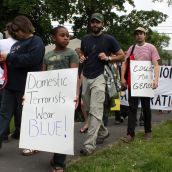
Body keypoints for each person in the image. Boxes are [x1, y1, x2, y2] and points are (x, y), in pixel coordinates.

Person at [79, 12, 125, 155]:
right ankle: (103, 132)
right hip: (86, 76)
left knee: (96, 109)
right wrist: (81, 56)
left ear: (102, 24)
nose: (95, 24)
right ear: (90, 24)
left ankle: (89, 145)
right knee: (88, 108)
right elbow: (83, 52)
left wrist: (108, 57)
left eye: (98, 22)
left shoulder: (109, 39)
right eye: (93, 22)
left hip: (100, 77)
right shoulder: (85, 39)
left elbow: (122, 55)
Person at [0, 15, 45, 149]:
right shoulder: (16, 44)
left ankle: (33, 143)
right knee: (3, 114)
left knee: (28, 115)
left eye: (18, 30)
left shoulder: (36, 41)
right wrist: (4, 61)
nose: (16, 33)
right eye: (14, 31)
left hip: (27, 86)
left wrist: (9, 57)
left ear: (25, 27)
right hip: (11, 85)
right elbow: (14, 61)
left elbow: (32, 59)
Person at [43, 26, 79, 172]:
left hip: (65, 97)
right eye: (62, 35)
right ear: (53, 37)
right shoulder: (47, 56)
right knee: (52, 127)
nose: (66, 38)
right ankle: (55, 156)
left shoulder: (72, 54)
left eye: (68, 36)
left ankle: (59, 163)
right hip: (50, 98)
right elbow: (42, 77)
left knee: (63, 128)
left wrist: (76, 95)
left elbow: (75, 76)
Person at [121, 27, 160, 143]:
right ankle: (130, 134)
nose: (139, 35)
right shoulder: (131, 48)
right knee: (132, 109)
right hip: (133, 83)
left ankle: (148, 131)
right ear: (135, 36)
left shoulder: (151, 47)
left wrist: (155, 79)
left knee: (146, 108)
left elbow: (156, 65)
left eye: (141, 33)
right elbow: (124, 63)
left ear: (145, 35)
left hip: (146, 83)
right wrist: (122, 77)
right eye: (137, 34)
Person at [0, 22, 17, 142]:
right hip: (16, 78)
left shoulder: (2, 42)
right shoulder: (20, 43)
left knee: (3, 110)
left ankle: (3, 135)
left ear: (8, 30)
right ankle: (19, 132)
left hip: (3, 78)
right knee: (17, 107)